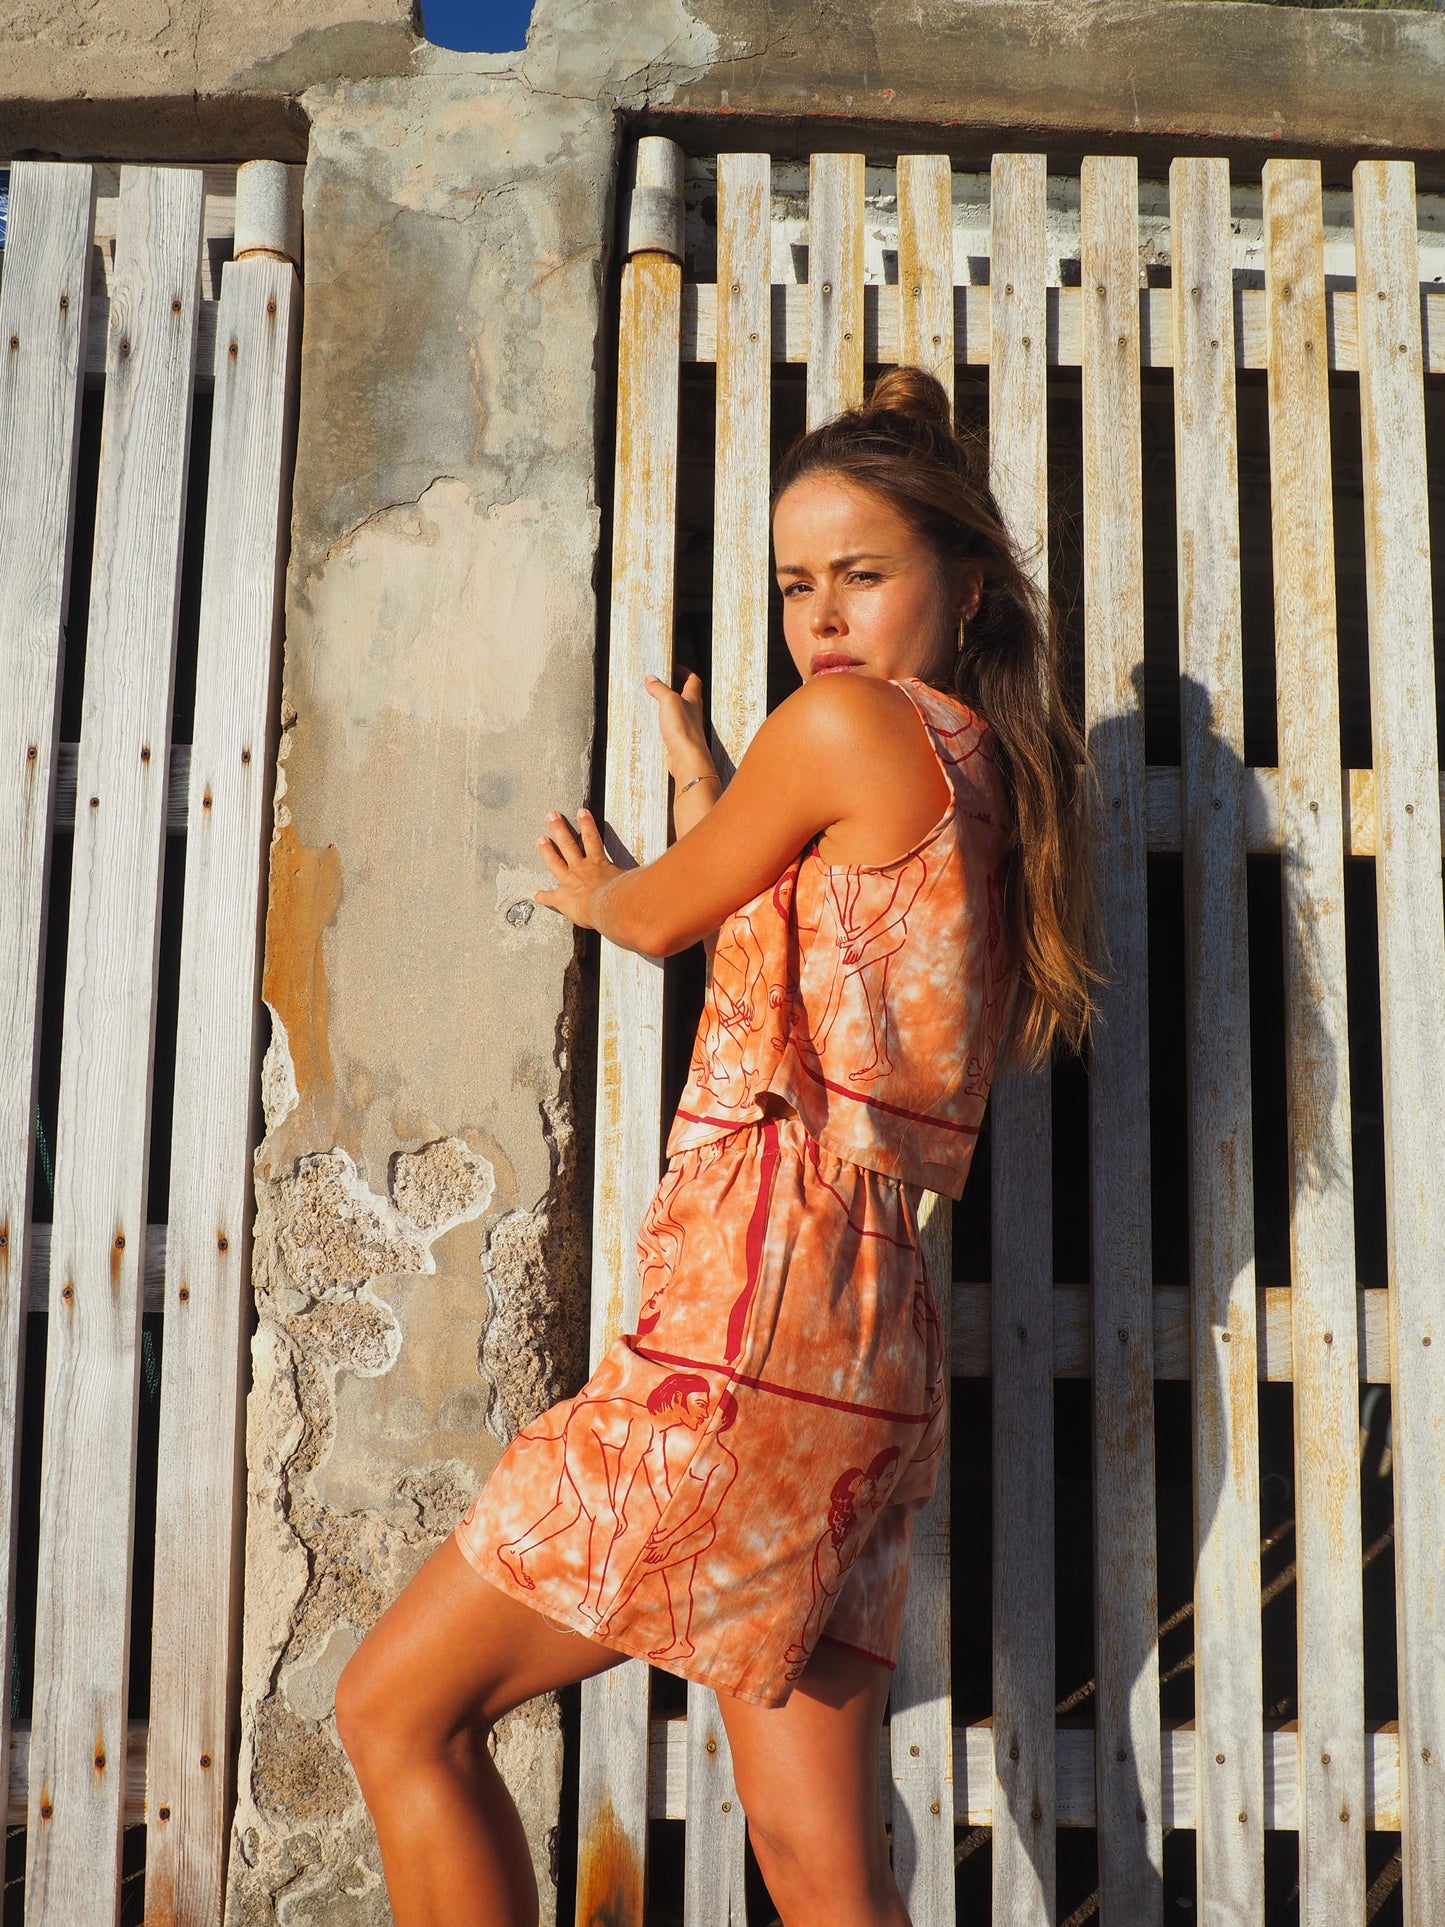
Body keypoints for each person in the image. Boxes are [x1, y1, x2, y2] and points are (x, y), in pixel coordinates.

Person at [334, 366, 1094, 1926]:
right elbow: (798, 950)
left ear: (962, 585)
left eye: (862, 577)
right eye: (794, 585)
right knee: (820, 1869)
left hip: (745, 1336)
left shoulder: (844, 726)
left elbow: (671, 914)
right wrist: (708, 780)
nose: (821, 617)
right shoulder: (985, 775)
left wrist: (604, 884)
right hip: (863, 1351)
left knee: (397, 1712)